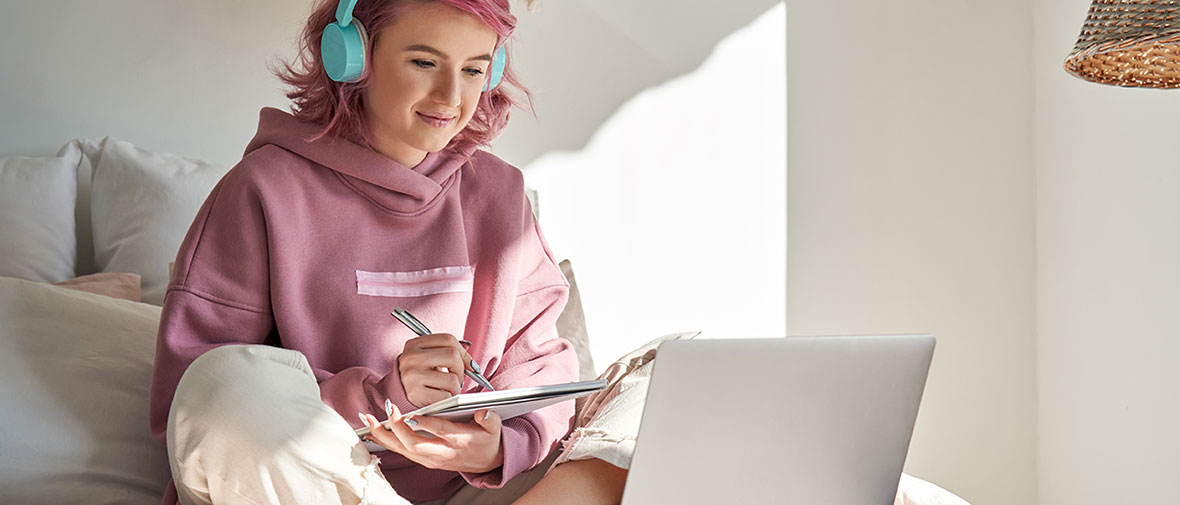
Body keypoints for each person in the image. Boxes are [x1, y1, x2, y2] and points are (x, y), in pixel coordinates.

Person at [147, 0, 629, 504]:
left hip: (468, 490)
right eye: (424, 62)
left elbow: (542, 364)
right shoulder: (263, 189)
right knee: (224, 383)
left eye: (473, 70)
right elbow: (195, 399)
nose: (451, 95)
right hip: (314, 484)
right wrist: (383, 399)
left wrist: (498, 449)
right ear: (353, 58)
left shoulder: (500, 192)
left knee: (654, 379)